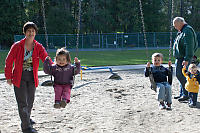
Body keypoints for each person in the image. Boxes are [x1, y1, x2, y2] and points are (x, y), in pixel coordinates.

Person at [5, 22, 51, 133]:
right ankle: (26, 127)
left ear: (35, 33)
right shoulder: (17, 46)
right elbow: (9, 61)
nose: (31, 33)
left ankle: (27, 118)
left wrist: (54, 67)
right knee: (22, 102)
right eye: (29, 31)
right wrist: (8, 77)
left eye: (33, 31)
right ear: (25, 32)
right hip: (19, 76)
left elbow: (46, 58)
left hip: (32, 77)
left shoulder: (38, 46)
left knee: (30, 101)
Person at [173, 17, 198, 102]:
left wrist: (187, 58)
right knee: (181, 75)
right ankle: (183, 93)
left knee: (180, 75)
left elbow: (189, 45)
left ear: (181, 23)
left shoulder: (187, 30)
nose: (175, 27)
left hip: (184, 57)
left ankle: (186, 93)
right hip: (180, 57)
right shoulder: (182, 31)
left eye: (175, 25)